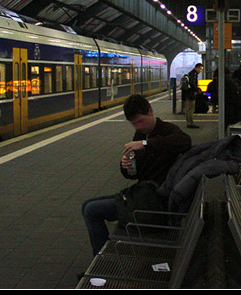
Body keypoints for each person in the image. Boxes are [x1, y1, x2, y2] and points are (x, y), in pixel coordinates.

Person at [80, 95, 192, 256]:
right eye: (134, 124)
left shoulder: (168, 130)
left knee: (91, 210)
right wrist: (126, 166)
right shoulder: (140, 135)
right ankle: (103, 257)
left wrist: (146, 144)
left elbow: (185, 141)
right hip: (144, 195)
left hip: (155, 204)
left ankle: (103, 259)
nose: (138, 127)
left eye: (141, 121)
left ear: (151, 111)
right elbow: (133, 174)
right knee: (86, 205)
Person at [180, 62, 203, 129]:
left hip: (188, 94)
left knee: (188, 109)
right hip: (190, 94)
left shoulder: (191, 73)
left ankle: (188, 122)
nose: (200, 71)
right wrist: (197, 90)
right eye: (200, 69)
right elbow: (193, 84)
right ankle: (190, 123)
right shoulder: (193, 74)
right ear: (197, 68)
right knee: (190, 109)